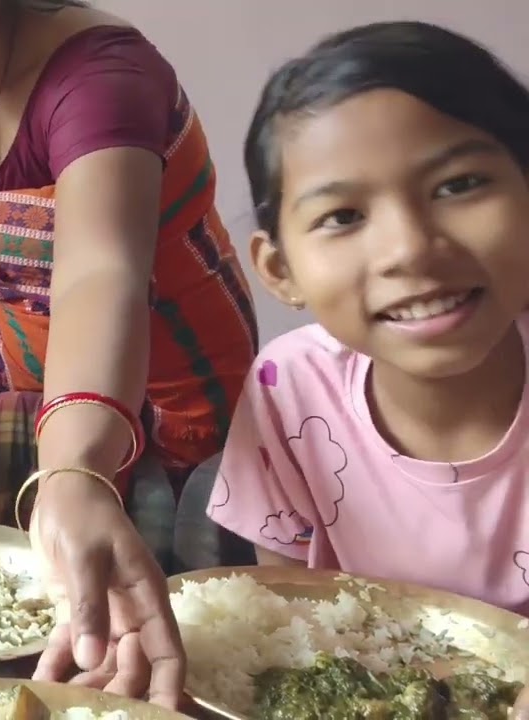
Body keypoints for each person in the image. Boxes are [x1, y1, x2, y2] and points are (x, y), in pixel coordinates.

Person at [0, 0, 260, 704]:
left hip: (180, 376)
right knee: (67, 599)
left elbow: (101, 272)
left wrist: (71, 471)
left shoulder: (103, 76)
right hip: (34, 378)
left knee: (188, 573)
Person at [208, 22, 529, 715]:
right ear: (280, 268)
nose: (410, 248)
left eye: (460, 184)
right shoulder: (286, 390)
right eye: (344, 215)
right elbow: (289, 631)